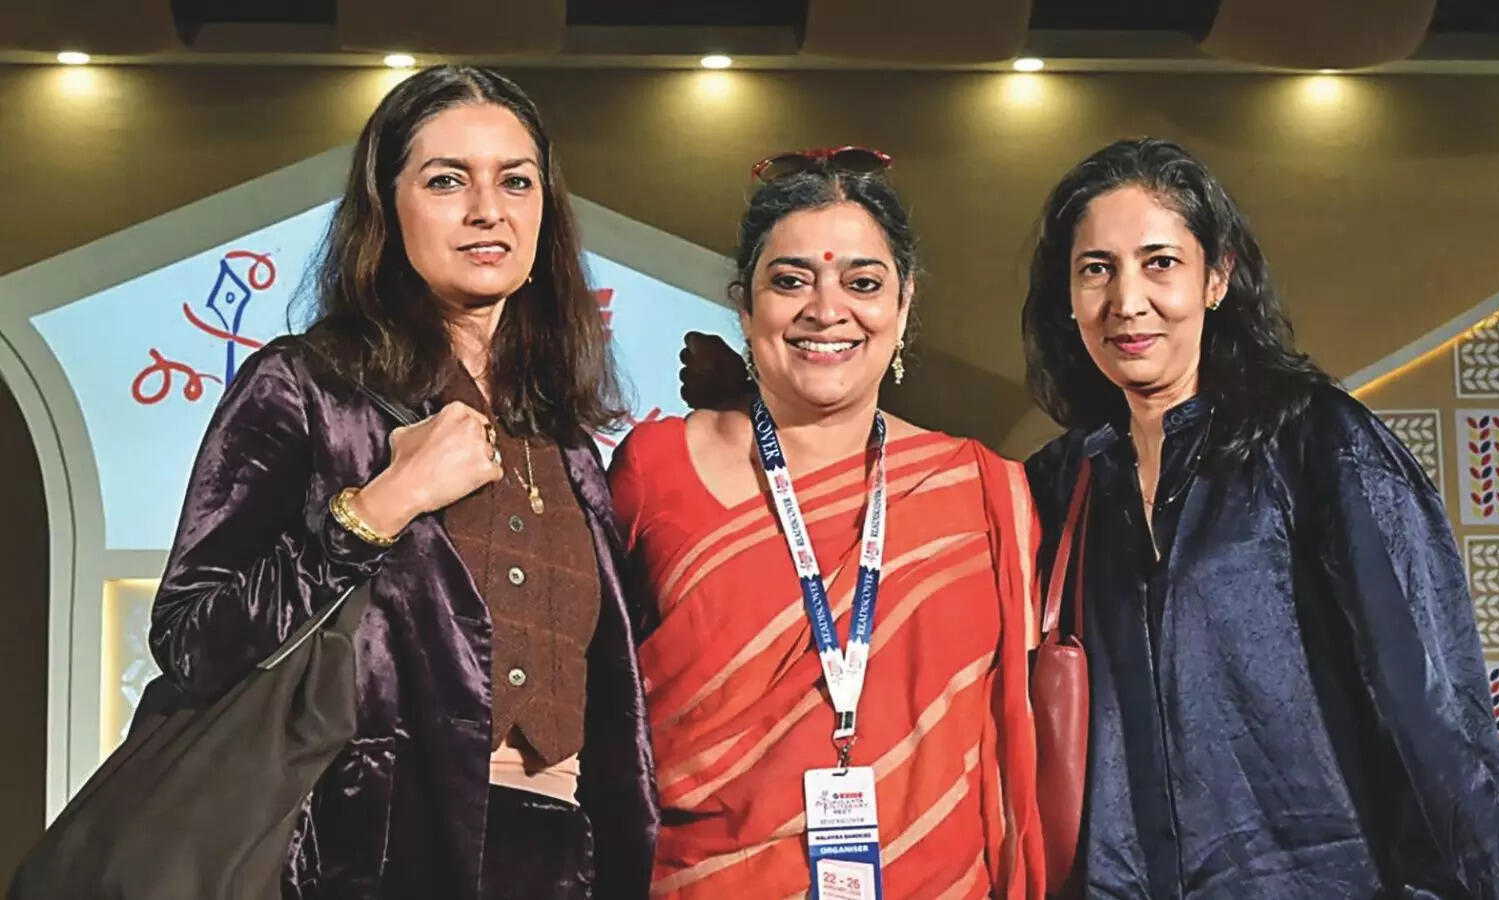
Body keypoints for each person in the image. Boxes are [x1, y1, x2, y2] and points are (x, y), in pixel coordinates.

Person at [147, 65, 656, 899]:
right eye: (447, 180)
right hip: (374, 857)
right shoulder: (306, 387)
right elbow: (193, 642)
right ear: (389, 207)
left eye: (516, 182)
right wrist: (378, 507)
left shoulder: (565, 437)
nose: (488, 210)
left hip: (562, 858)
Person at [1022, 138, 1499, 897]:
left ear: (1217, 277)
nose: (1126, 301)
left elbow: (1431, 708)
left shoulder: (1317, 444)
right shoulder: (1059, 482)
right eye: (1096, 269)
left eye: (1160, 262)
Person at [610, 148, 1046, 898]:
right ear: (743, 306)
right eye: (789, 282)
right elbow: (595, 705)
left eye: (862, 283)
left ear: (903, 306)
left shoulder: (980, 489)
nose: (825, 309)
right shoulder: (656, 468)